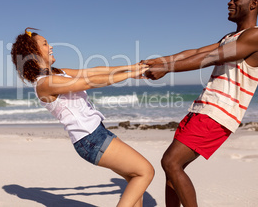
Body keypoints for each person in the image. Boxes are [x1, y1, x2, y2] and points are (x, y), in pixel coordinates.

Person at [143, 0, 258, 207]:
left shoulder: (256, 36)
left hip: (218, 114)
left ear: (253, 4)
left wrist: (167, 69)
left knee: (171, 163)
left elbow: (212, 58)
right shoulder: (231, 36)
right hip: (202, 108)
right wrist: (162, 60)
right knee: (172, 168)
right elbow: (197, 52)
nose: (229, 2)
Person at [11, 28, 155, 207]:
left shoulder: (57, 73)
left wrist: (132, 67)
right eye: (45, 44)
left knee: (135, 183)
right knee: (145, 172)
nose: (51, 46)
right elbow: (87, 83)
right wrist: (130, 75)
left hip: (96, 133)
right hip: (90, 138)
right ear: (33, 54)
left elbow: (92, 73)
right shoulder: (45, 83)